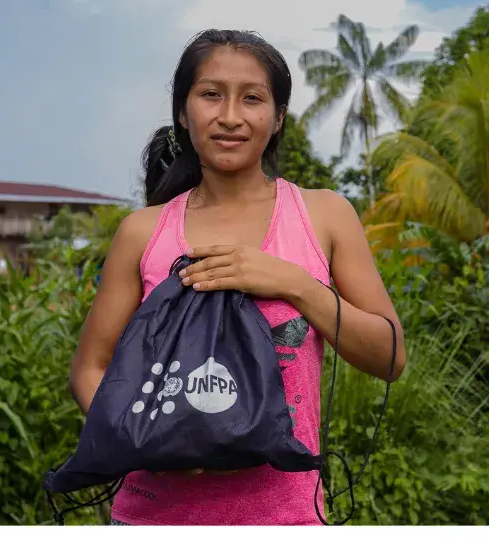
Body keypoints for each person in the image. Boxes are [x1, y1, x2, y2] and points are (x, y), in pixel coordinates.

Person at [67, 29, 407, 526]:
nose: (230, 116)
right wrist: (153, 437)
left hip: (285, 521)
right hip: (150, 521)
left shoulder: (325, 216)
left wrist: (295, 284)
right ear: (183, 113)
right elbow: (89, 368)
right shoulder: (143, 232)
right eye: (210, 95)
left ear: (278, 116)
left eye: (252, 98)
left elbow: (391, 358)